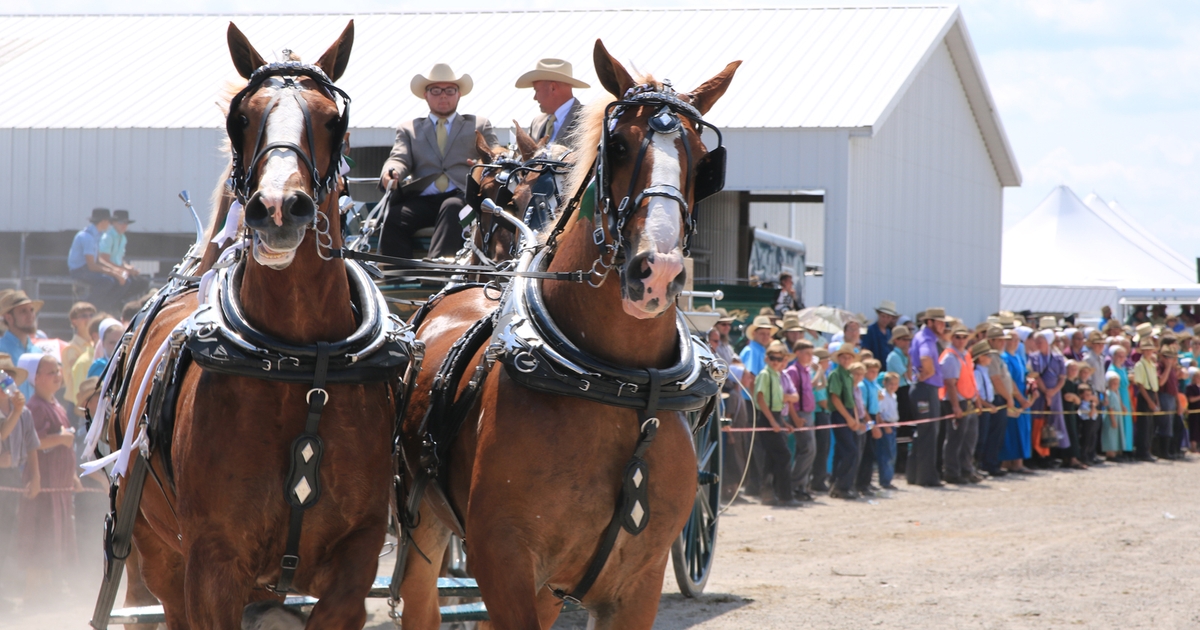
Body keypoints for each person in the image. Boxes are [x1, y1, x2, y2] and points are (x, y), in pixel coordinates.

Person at [379, 64, 498, 259]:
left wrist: (480, 165)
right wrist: (391, 172)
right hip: (423, 198)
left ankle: (437, 270)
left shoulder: (478, 124)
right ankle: (398, 276)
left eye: (449, 90)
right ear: (426, 95)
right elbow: (398, 158)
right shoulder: (409, 129)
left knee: (451, 208)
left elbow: (495, 158)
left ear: (458, 94)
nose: (443, 95)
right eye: (436, 90)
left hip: (462, 194)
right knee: (394, 216)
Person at [17, 354, 80, 601]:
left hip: (59, 485)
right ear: (36, 377)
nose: (57, 375)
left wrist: (72, 476)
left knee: (56, 535)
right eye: (51, 371)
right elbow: (33, 442)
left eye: (58, 370)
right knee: (40, 534)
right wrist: (62, 439)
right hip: (43, 482)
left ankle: (50, 590)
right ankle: (33, 593)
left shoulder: (55, 405)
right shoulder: (35, 407)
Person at [0, 353, 39, 596]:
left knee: (8, 532)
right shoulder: (18, 411)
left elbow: (31, 445)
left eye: (10, 377)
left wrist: (36, 477)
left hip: (12, 477)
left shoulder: (23, 413)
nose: (8, 382)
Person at [754, 341, 799, 507]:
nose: (775, 361)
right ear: (767, 358)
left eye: (779, 359)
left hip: (775, 417)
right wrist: (773, 421)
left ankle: (768, 494)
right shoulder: (765, 374)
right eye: (772, 358)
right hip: (767, 418)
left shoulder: (777, 375)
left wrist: (783, 422)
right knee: (784, 455)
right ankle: (785, 495)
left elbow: (777, 403)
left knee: (772, 459)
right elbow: (760, 398)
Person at [907, 307, 946, 487]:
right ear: (929, 322)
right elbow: (925, 359)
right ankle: (926, 476)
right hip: (927, 388)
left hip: (922, 387)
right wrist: (926, 373)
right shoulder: (927, 339)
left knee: (922, 433)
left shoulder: (920, 336)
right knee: (929, 433)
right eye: (939, 321)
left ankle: (914, 474)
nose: (943, 325)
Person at [515, 58, 589, 145]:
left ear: (552, 88)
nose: (535, 97)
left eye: (537, 90)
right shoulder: (537, 123)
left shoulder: (588, 120)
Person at [940, 324, 980, 484]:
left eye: (964, 337)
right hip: (956, 401)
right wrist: (955, 406)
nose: (961, 340)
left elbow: (970, 379)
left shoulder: (965, 355)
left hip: (968, 399)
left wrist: (976, 401)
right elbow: (950, 384)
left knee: (969, 438)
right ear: (952, 338)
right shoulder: (950, 357)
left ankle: (966, 469)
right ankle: (952, 471)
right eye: (958, 337)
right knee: (955, 439)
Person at [68, 208, 128, 312]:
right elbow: (92, 265)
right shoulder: (88, 237)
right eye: (109, 221)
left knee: (113, 280)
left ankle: (103, 307)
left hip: (85, 269)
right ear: (103, 221)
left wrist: (115, 271)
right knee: (107, 281)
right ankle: (88, 307)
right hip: (79, 270)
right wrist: (114, 273)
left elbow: (97, 260)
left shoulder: (94, 235)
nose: (109, 224)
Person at [827, 345, 863, 499]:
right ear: (839, 358)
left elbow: (852, 400)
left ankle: (838, 483)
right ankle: (840, 485)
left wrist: (854, 419)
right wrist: (848, 419)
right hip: (840, 413)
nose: (846, 360)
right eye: (843, 357)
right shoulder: (836, 375)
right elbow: (835, 398)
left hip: (848, 412)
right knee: (850, 450)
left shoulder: (849, 376)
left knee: (843, 451)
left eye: (849, 357)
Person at [784, 340, 816, 501]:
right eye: (807, 353)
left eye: (811, 353)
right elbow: (789, 398)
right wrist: (795, 418)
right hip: (799, 415)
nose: (810, 356)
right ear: (797, 353)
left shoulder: (806, 370)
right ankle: (795, 486)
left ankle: (801, 486)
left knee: (809, 450)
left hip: (808, 414)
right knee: (807, 449)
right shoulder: (793, 371)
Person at [0, 291, 44, 398]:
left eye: (31, 310)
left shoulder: (37, 352)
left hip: (32, 413)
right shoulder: (1, 349)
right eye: (23, 311)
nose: (30, 315)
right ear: (9, 318)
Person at [99, 209, 150, 301]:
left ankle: (118, 303)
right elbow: (104, 260)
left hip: (117, 270)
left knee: (143, 282)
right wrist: (124, 269)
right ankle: (112, 304)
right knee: (126, 282)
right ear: (113, 223)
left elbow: (118, 259)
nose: (124, 225)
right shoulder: (108, 237)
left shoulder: (122, 237)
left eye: (126, 223)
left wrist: (129, 268)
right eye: (121, 222)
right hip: (107, 271)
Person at [855, 358, 884, 494]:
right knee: (867, 452)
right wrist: (872, 425)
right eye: (870, 371)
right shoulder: (863, 385)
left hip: (872, 417)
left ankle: (866, 482)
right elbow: (863, 408)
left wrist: (878, 419)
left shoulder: (873, 384)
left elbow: (875, 404)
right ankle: (861, 483)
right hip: (866, 419)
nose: (873, 374)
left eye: (876, 372)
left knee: (870, 452)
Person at [61, 302, 96, 414]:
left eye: (91, 315)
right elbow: (80, 377)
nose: (89, 318)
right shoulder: (71, 349)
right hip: (76, 404)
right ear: (74, 321)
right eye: (84, 316)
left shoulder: (95, 345)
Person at [1131, 340, 1159, 462]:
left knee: (1150, 425)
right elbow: (1140, 385)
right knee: (1144, 424)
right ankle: (1142, 451)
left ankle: (1147, 449)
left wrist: (1156, 400)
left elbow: (1154, 384)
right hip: (1144, 395)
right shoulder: (1139, 365)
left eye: (1150, 349)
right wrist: (1149, 401)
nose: (1148, 352)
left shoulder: (1152, 365)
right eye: (1145, 350)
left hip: (1152, 392)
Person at [809, 348, 832, 493]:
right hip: (820, 414)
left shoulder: (820, 375)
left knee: (822, 449)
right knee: (821, 449)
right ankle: (817, 480)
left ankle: (817, 479)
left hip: (820, 414)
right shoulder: (814, 374)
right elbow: (822, 400)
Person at [1107, 345, 1135, 459]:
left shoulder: (1123, 369)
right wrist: (1122, 403)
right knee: (1119, 424)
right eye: (1119, 356)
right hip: (1118, 397)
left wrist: (1130, 403)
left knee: (1127, 424)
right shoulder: (1112, 370)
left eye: (1124, 356)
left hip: (1126, 396)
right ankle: (1118, 450)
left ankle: (1126, 448)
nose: (1122, 358)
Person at [1155, 347, 1181, 460]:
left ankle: (1171, 449)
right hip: (1163, 395)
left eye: (1171, 357)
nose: (1170, 360)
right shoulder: (1159, 367)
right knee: (1164, 424)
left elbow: (1175, 388)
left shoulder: (1173, 370)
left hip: (1171, 397)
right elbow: (1160, 382)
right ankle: (1162, 451)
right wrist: (1168, 367)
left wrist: (1178, 403)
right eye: (1167, 357)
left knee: (1171, 424)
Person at [876, 372, 900, 490]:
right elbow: (878, 412)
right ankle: (885, 481)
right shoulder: (883, 396)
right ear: (884, 383)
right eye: (891, 384)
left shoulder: (893, 396)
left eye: (895, 384)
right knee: (886, 454)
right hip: (886, 425)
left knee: (892, 453)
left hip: (893, 425)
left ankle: (888, 478)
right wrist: (885, 426)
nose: (893, 386)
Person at [1102, 371, 1128, 461]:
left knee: (1116, 435)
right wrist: (1113, 420)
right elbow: (1110, 408)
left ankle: (1116, 452)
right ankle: (1110, 453)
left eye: (1117, 383)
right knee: (1110, 435)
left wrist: (1123, 407)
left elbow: (1119, 401)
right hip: (1111, 417)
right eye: (1113, 383)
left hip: (1118, 416)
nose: (1115, 385)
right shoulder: (1109, 393)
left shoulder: (1116, 392)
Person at [1186, 368, 1200, 453]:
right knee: (1194, 428)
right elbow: (1190, 399)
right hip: (1193, 411)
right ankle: (1193, 447)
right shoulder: (1190, 387)